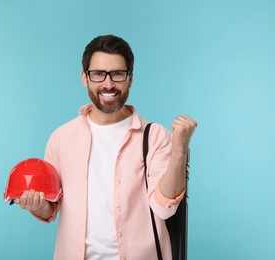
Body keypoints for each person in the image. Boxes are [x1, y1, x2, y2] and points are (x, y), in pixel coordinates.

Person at [14, 35, 197, 260]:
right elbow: (52, 208)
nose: (108, 84)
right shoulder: (61, 138)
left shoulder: (155, 136)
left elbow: (164, 209)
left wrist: (180, 149)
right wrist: (35, 205)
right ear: (84, 77)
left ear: (130, 79)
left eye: (118, 74)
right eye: (98, 74)